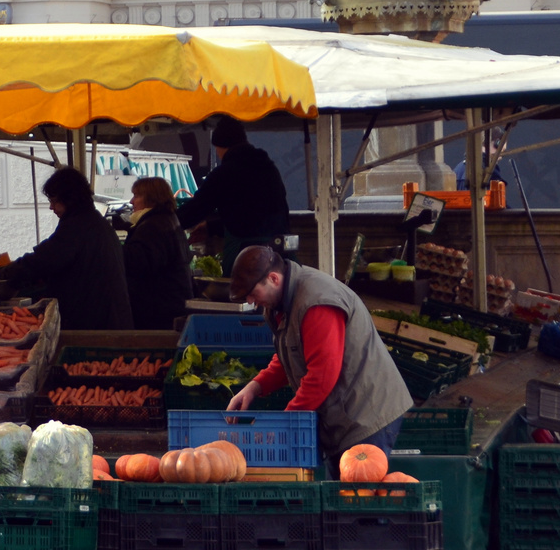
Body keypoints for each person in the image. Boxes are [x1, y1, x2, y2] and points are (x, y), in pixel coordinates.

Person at [226, 246, 413, 479]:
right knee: (343, 496)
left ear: (273, 279)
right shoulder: (281, 303)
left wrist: (285, 421)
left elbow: (321, 377)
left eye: (252, 293)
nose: (252, 302)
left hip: (364, 413)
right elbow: (291, 355)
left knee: (359, 497)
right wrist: (255, 387)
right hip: (341, 414)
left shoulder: (317, 303)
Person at [0, 166, 133, 330]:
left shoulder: (79, 225)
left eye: (54, 201)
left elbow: (46, 259)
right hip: (109, 317)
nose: (51, 207)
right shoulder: (92, 221)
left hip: (96, 323)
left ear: (70, 199)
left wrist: (7, 272)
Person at [176, 118, 289, 269]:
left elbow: (195, 209)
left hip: (248, 258)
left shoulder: (225, 173)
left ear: (221, 146)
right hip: (280, 257)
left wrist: (165, 221)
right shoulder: (269, 169)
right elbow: (251, 215)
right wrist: (210, 227)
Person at [121, 176, 194, 330]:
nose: (131, 201)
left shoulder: (152, 226)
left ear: (152, 199)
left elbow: (137, 264)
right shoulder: (167, 219)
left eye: (137, 196)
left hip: (158, 313)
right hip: (172, 307)